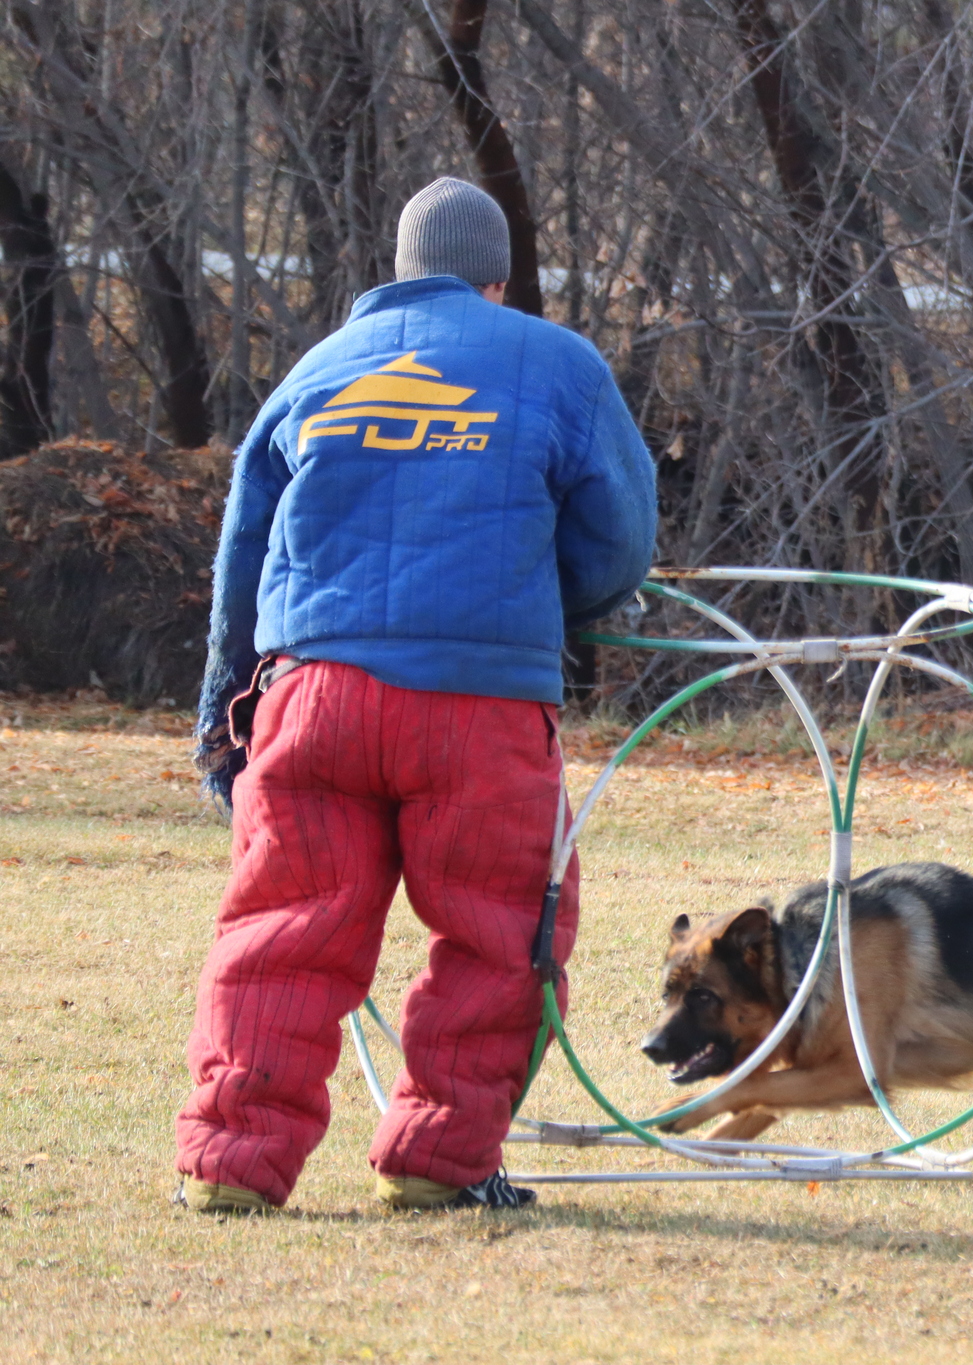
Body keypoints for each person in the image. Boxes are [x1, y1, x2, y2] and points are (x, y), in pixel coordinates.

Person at [173, 178, 656, 1213]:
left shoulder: (318, 370)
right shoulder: (556, 364)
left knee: (280, 932)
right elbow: (617, 544)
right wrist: (532, 601)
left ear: (397, 274)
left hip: (309, 695)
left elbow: (241, 560)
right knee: (498, 934)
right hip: (476, 707)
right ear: (499, 279)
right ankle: (440, 1164)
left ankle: (231, 1171)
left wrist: (225, 717)